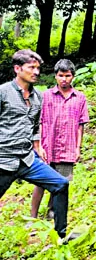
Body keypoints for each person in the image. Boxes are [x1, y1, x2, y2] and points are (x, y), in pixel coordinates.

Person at [0, 50, 72, 240]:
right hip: (3, 160)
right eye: (31, 67)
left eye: (38, 68)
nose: (36, 72)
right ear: (17, 69)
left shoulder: (38, 97)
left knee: (60, 184)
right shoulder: (3, 92)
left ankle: (61, 236)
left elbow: (33, 126)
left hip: (27, 158)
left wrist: (37, 146)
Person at [30, 59, 89, 220]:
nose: (64, 79)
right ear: (55, 76)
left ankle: (52, 212)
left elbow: (80, 125)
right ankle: (33, 216)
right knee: (40, 182)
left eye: (67, 75)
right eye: (61, 75)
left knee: (61, 182)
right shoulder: (46, 96)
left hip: (68, 147)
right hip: (48, 146)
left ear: (73, 76)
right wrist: (39, 146)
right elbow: (39, 122)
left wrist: (78, 147)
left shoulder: (80, 98)